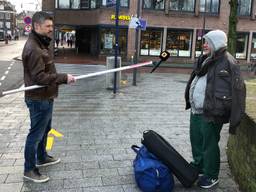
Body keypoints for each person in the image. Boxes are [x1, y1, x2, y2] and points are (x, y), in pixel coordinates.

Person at [184, 30, 246, 189]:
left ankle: (211, 175)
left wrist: (235, 119)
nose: (204, 44)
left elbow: (238, 90)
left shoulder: (228, 62)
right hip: (197, 109)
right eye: (204, 41)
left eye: (208, 42)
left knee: (209, 145)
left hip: (213, 111)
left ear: (216, 43)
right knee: (196, 140)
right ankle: (199, 165)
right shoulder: (206, 58)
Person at [22, 11, 76, 183]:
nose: (51, 29)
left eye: (52, 26)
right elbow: (40, 78)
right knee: (35, 134)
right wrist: (64, 78)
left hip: (46, 96)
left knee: (45, 130)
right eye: (48, 26)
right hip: (38, 99)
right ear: (37, 26)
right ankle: (29, 169)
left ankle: (42, 156)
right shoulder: (34, 48)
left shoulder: (41, 43)